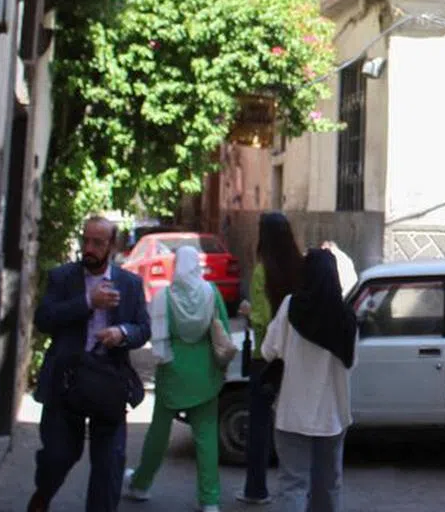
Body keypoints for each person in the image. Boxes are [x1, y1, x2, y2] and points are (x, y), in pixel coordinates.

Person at [27, 216, 151, 512]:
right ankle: (42, 495)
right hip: (66, 380)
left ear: (112, 246)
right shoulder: (62, 278)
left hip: (108, 381)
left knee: (109, 465)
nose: (89, 248)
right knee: (58, 455)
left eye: (98, 242)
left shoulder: (129, 284)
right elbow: (44, 319)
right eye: (86, 240)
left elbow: (142, 329)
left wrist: (121, 333)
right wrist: (87, 302)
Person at [123, 246, 230, 511]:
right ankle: (210, 499)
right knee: (206, 438)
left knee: (159, 433)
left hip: (172, 371)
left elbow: (158, 338)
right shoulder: (211, 293)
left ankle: (141, 484)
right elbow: (223, 330)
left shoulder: (165, 297)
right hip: (204, 372)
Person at [261, 248, 357, 512]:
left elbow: (268, 350)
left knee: (292, 484)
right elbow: (352, 362)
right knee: (328, 485)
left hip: (291, 413)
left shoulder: (291, 307)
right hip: (332, 416)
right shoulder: (347, 317)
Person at [236, 211, 304, 505]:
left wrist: (248, 311)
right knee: (295, 425)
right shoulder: (301, 268)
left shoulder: (263, 271)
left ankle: (256, 489)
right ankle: (298, 486)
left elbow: (263, 319)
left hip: (265, 357)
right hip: (295, 356)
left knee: (260, 426)